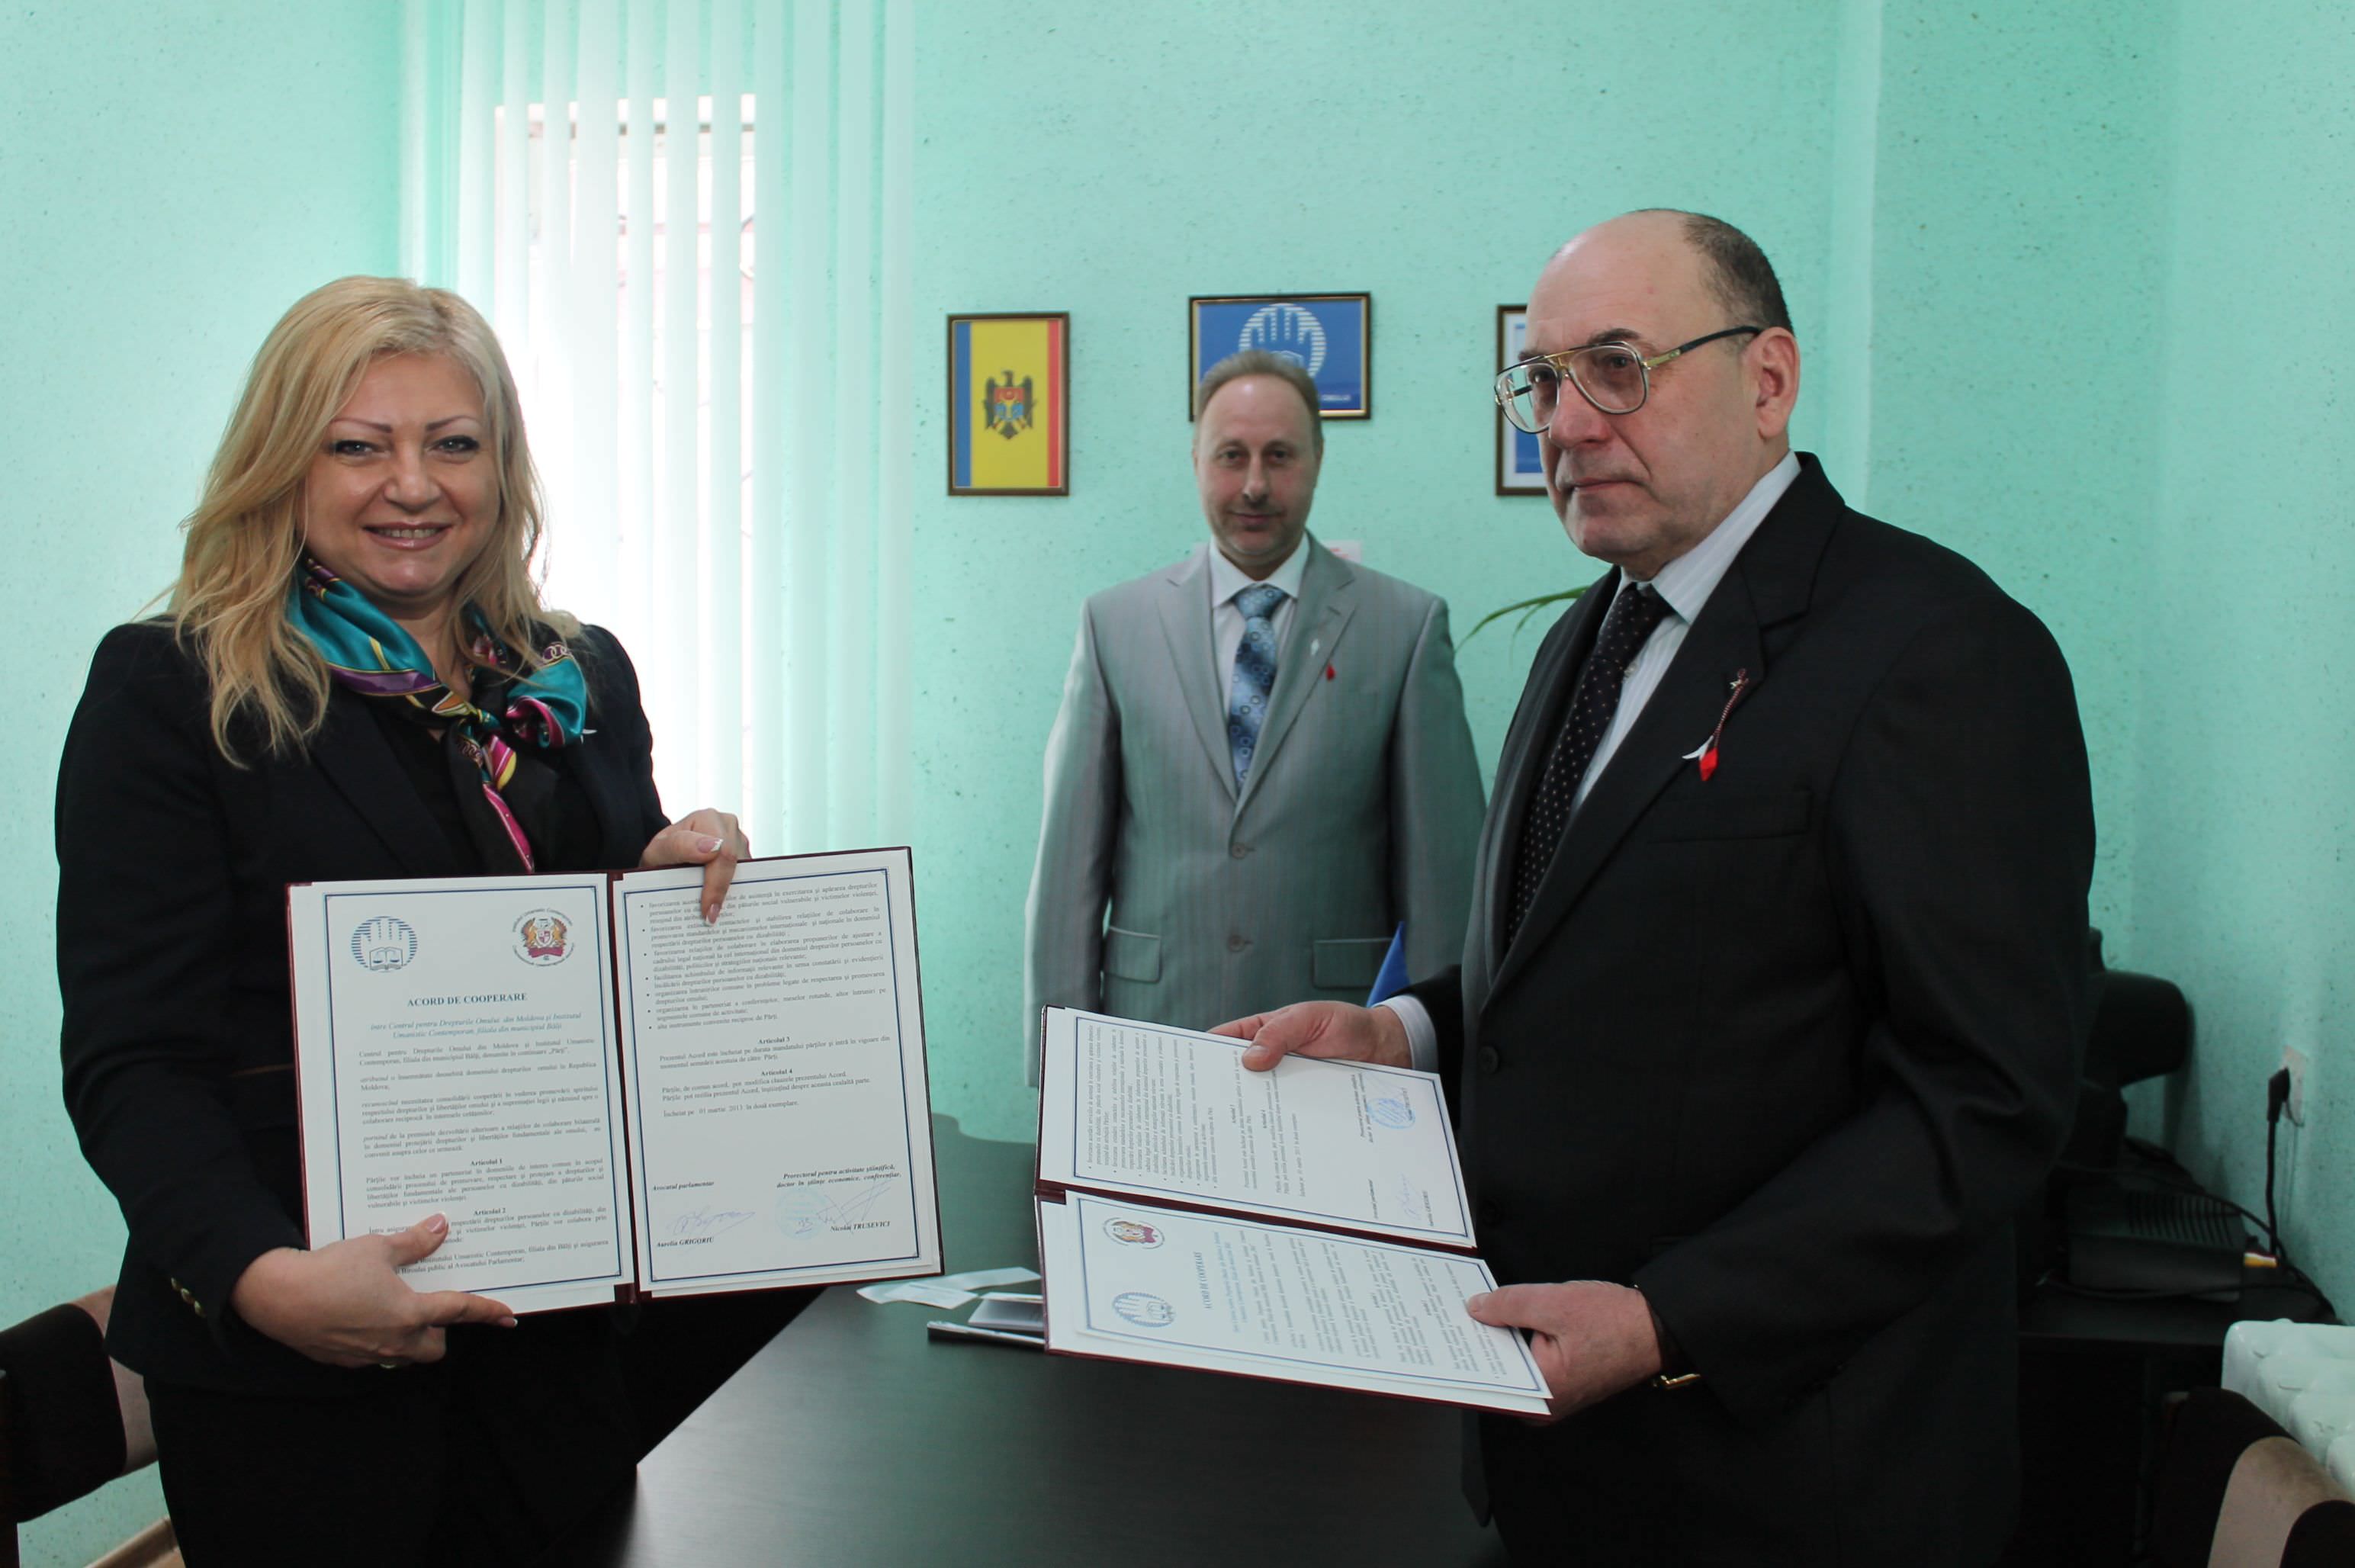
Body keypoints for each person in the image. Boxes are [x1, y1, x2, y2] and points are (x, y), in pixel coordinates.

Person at [1218, 211, 2096, 1564]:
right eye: (1540, 381)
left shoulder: (1938, 651)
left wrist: (1667, 1319)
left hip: (1789, 1487)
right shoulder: (1590, 633)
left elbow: (1982, 1099)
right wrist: (1404, 1033)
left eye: (1617, 368)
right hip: (1558, 1464)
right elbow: (1591, 962)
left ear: (1767, 380)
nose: (1566, 424)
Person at [55, 277, 752, 1564]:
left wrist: (669, 885)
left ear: (502, 465)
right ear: (285, 462)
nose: (413, 486)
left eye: (453, 443)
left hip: (557, 1348)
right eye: (359, 446)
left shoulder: (575, 676)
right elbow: (132, 1062)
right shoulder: (179, 690)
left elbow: (594, 962)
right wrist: (267, 1281)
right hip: (299, 1380)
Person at [1021, 349, 1484, 1082]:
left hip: (1337, 1043)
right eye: (1231, 456)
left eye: (1280, 455)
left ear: (1318, 459)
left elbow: (1444, 885)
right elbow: (1066, 882)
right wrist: (1062, 1068)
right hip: (1155, 1030)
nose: (1256, 485)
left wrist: (1439, 1065)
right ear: (1197, 461)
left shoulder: (1405, 625)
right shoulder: (1115, 625)